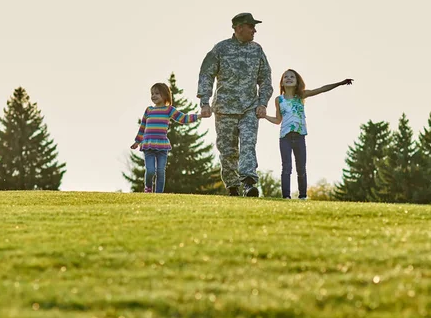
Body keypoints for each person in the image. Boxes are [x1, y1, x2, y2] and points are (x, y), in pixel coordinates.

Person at [197, 13, 274, 197]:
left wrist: (263, 103)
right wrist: (204, 102)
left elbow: (265, 79)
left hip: (249, 108)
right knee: (228, 150)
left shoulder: (257, 50)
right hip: (224, 109)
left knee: (248, 144)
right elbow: (206, 74)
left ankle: (248, 183)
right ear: (239, 28)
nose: (254, 30)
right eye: (251, 26)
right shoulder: (221, 49)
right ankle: (232, 187)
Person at [264, 69, 353, 199]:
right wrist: (265, 116)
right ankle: (286, 197)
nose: (289, 78)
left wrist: (340, 83)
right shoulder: (279, 100)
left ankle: (302, 196)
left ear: (297, 82)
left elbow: (321, 89)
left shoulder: (301, 96)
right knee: (286, 167)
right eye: (286, 77)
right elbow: (278, 120)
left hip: (299, 136)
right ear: (282, 82)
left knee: (301, 168)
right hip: (285, 138)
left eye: (292, 77)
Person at [131, 82, 201, 193]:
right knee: (150, 171)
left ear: (164, 95)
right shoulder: (149, 110)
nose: (153, 96)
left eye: (157, 93)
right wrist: (137, 141)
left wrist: (199, 116)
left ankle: (159, 193)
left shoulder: (169, 110)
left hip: (162, 146)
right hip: (148, 145)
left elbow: (183, 118)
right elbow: (142, 127)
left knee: (160, 171)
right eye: (152, 93)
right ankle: (148, 188)